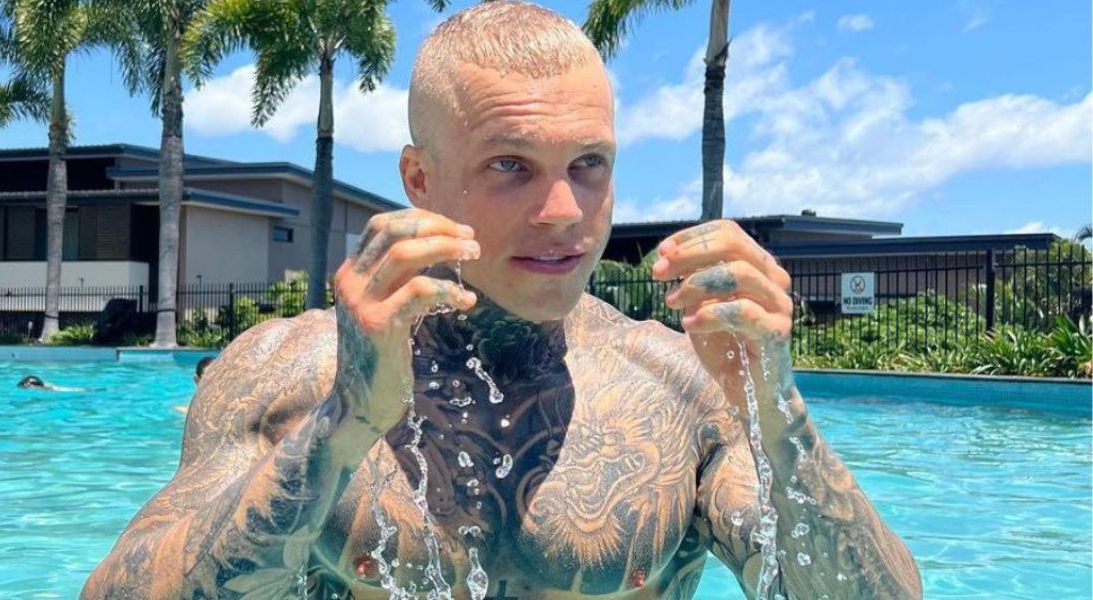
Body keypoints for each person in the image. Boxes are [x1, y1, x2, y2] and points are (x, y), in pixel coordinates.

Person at [82, 3, 922, 598]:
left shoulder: (682, 391)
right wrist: (343, 426)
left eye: (588, 165)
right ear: (420, 180)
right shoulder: (285, 371)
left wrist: (778, 412)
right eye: (510, 166)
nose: (562, 212)